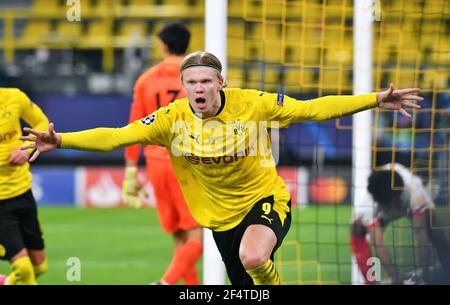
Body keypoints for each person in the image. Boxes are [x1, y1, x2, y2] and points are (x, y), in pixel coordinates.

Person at [20, 51, 423, 285]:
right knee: (244, 280)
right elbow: (116, 136)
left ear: (220, 83)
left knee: (252, 257)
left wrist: (373, 99)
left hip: (265, 201)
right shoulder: (171, 118)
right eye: (190, 82)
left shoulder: (254, 104)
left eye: (205, 81)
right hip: (219, 220)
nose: (197, 89)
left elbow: (312, 109)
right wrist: (62, 140)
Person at [121, 22, 203, 285]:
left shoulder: (146, 80)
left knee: (180, 238)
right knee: (197, 236)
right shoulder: (198, 77)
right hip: (189, 161)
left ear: (164, 45)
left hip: (157, 163)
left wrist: (131, 169)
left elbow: (135, 127)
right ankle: (166, 282)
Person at [350, 163, 450, 284]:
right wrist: (395, 277)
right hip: (379, 209)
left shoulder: (415, 192)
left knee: (436, 233)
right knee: (356, 230)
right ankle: (370, 282)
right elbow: (379, 244)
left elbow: (421, 234)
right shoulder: (367, 206)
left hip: (408, 194)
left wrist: (425, 276)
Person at [0, 88, 49, 285]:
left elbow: (42, 123)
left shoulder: (14, 97)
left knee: (39, 267)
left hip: (23, 192)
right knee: (23, 268)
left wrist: (27, 148)